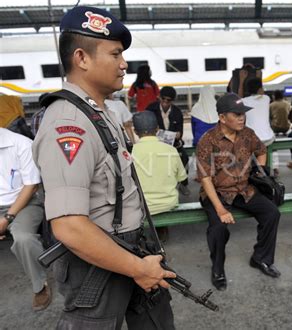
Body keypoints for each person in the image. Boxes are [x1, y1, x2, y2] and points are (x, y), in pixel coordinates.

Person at [32, 6, 176, 329]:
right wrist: (137, 268)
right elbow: (69, 226)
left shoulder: (101, 112)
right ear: (82, 58)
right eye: (115, 54)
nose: (124, 64)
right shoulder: (68, 123)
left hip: (130, 248)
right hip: (97, 264)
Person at [196, 93, 281, 291]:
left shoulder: (248, 134)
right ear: (223, 118)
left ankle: (261, 258)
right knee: (218, 228)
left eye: (243, 113)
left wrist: (259, 174)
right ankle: (218, 270)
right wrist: (220, 210)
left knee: (271, 213)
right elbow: (205, 179)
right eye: (237, 114)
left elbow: (261, 151)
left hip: (244, 189)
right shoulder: (207, 141)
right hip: (216, 193)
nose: (242, 117)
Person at [0, 128, 51, 311]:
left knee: (23, 238)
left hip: (25, 202)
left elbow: (31, 186)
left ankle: (40, 286)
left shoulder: (21, 144)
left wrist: (6, 219)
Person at [132, 111, 187, 241]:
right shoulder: (171, 150)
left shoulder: (130, 152)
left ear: (135, 131)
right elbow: (182, 178)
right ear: (157, 129)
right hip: (168, 203)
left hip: (141, 205)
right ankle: (161, 229)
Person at [146, 86, 190, 196]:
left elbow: (179, 134)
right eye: (163, 99)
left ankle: (183, 184)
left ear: (172, 101)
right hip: (155, 144)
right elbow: (147, 130)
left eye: (168, 100)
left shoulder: (177, 112)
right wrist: (169, 135)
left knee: (184, 158)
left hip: (173, 145)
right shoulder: (151, 109)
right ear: (159, 98)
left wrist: (161, 133)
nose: (165, 102)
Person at [243, 77, 275, 146]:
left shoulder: (244, 101)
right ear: (260, 89)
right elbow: (261, 94)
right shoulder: (266, 98)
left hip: (252, 140)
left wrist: (242, 79)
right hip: (268, 138)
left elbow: (237, 98)